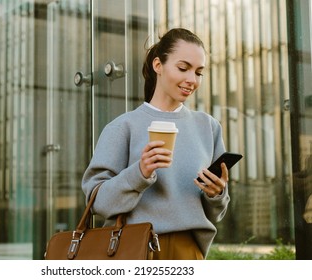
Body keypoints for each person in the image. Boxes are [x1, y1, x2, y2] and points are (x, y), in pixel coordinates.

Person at [81, 28, 230, 260]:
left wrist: (216, 194)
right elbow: (98, 203)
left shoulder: (208, 127)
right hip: (133, 250)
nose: (192, 80)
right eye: (183, 68)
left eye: (199, 72)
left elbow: (216, 214)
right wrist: (139, 173)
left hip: (188, 252)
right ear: (158, 65)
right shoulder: (123, 127)